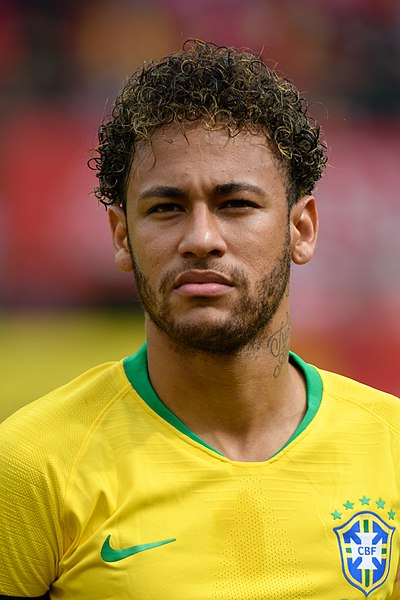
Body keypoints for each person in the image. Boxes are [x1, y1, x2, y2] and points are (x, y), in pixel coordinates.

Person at [0, 40, 399, 600]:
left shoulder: (390, 447)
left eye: (236, 204)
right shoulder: (30, 466)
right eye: (166, 208)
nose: (202, 239)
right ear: (122, 237)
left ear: (301, 229)